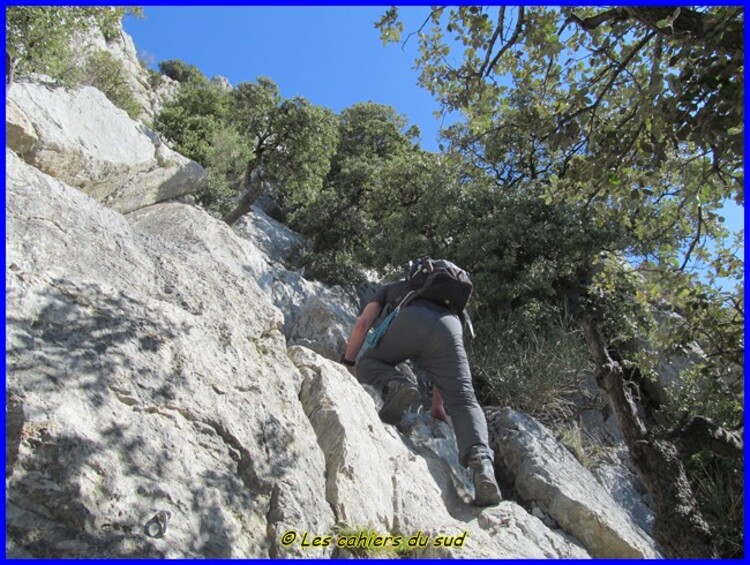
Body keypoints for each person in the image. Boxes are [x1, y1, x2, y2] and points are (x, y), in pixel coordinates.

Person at [340, 276, 502, 507]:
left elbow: (362, 324)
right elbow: (442, 372)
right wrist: (438, 406)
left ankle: (399, 384)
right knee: (465, 399)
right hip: (449, 328)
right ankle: (482, 465)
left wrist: (347, 362)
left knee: (368, 364)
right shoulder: (452, 306)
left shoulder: (390, 289)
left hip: (411, 321)